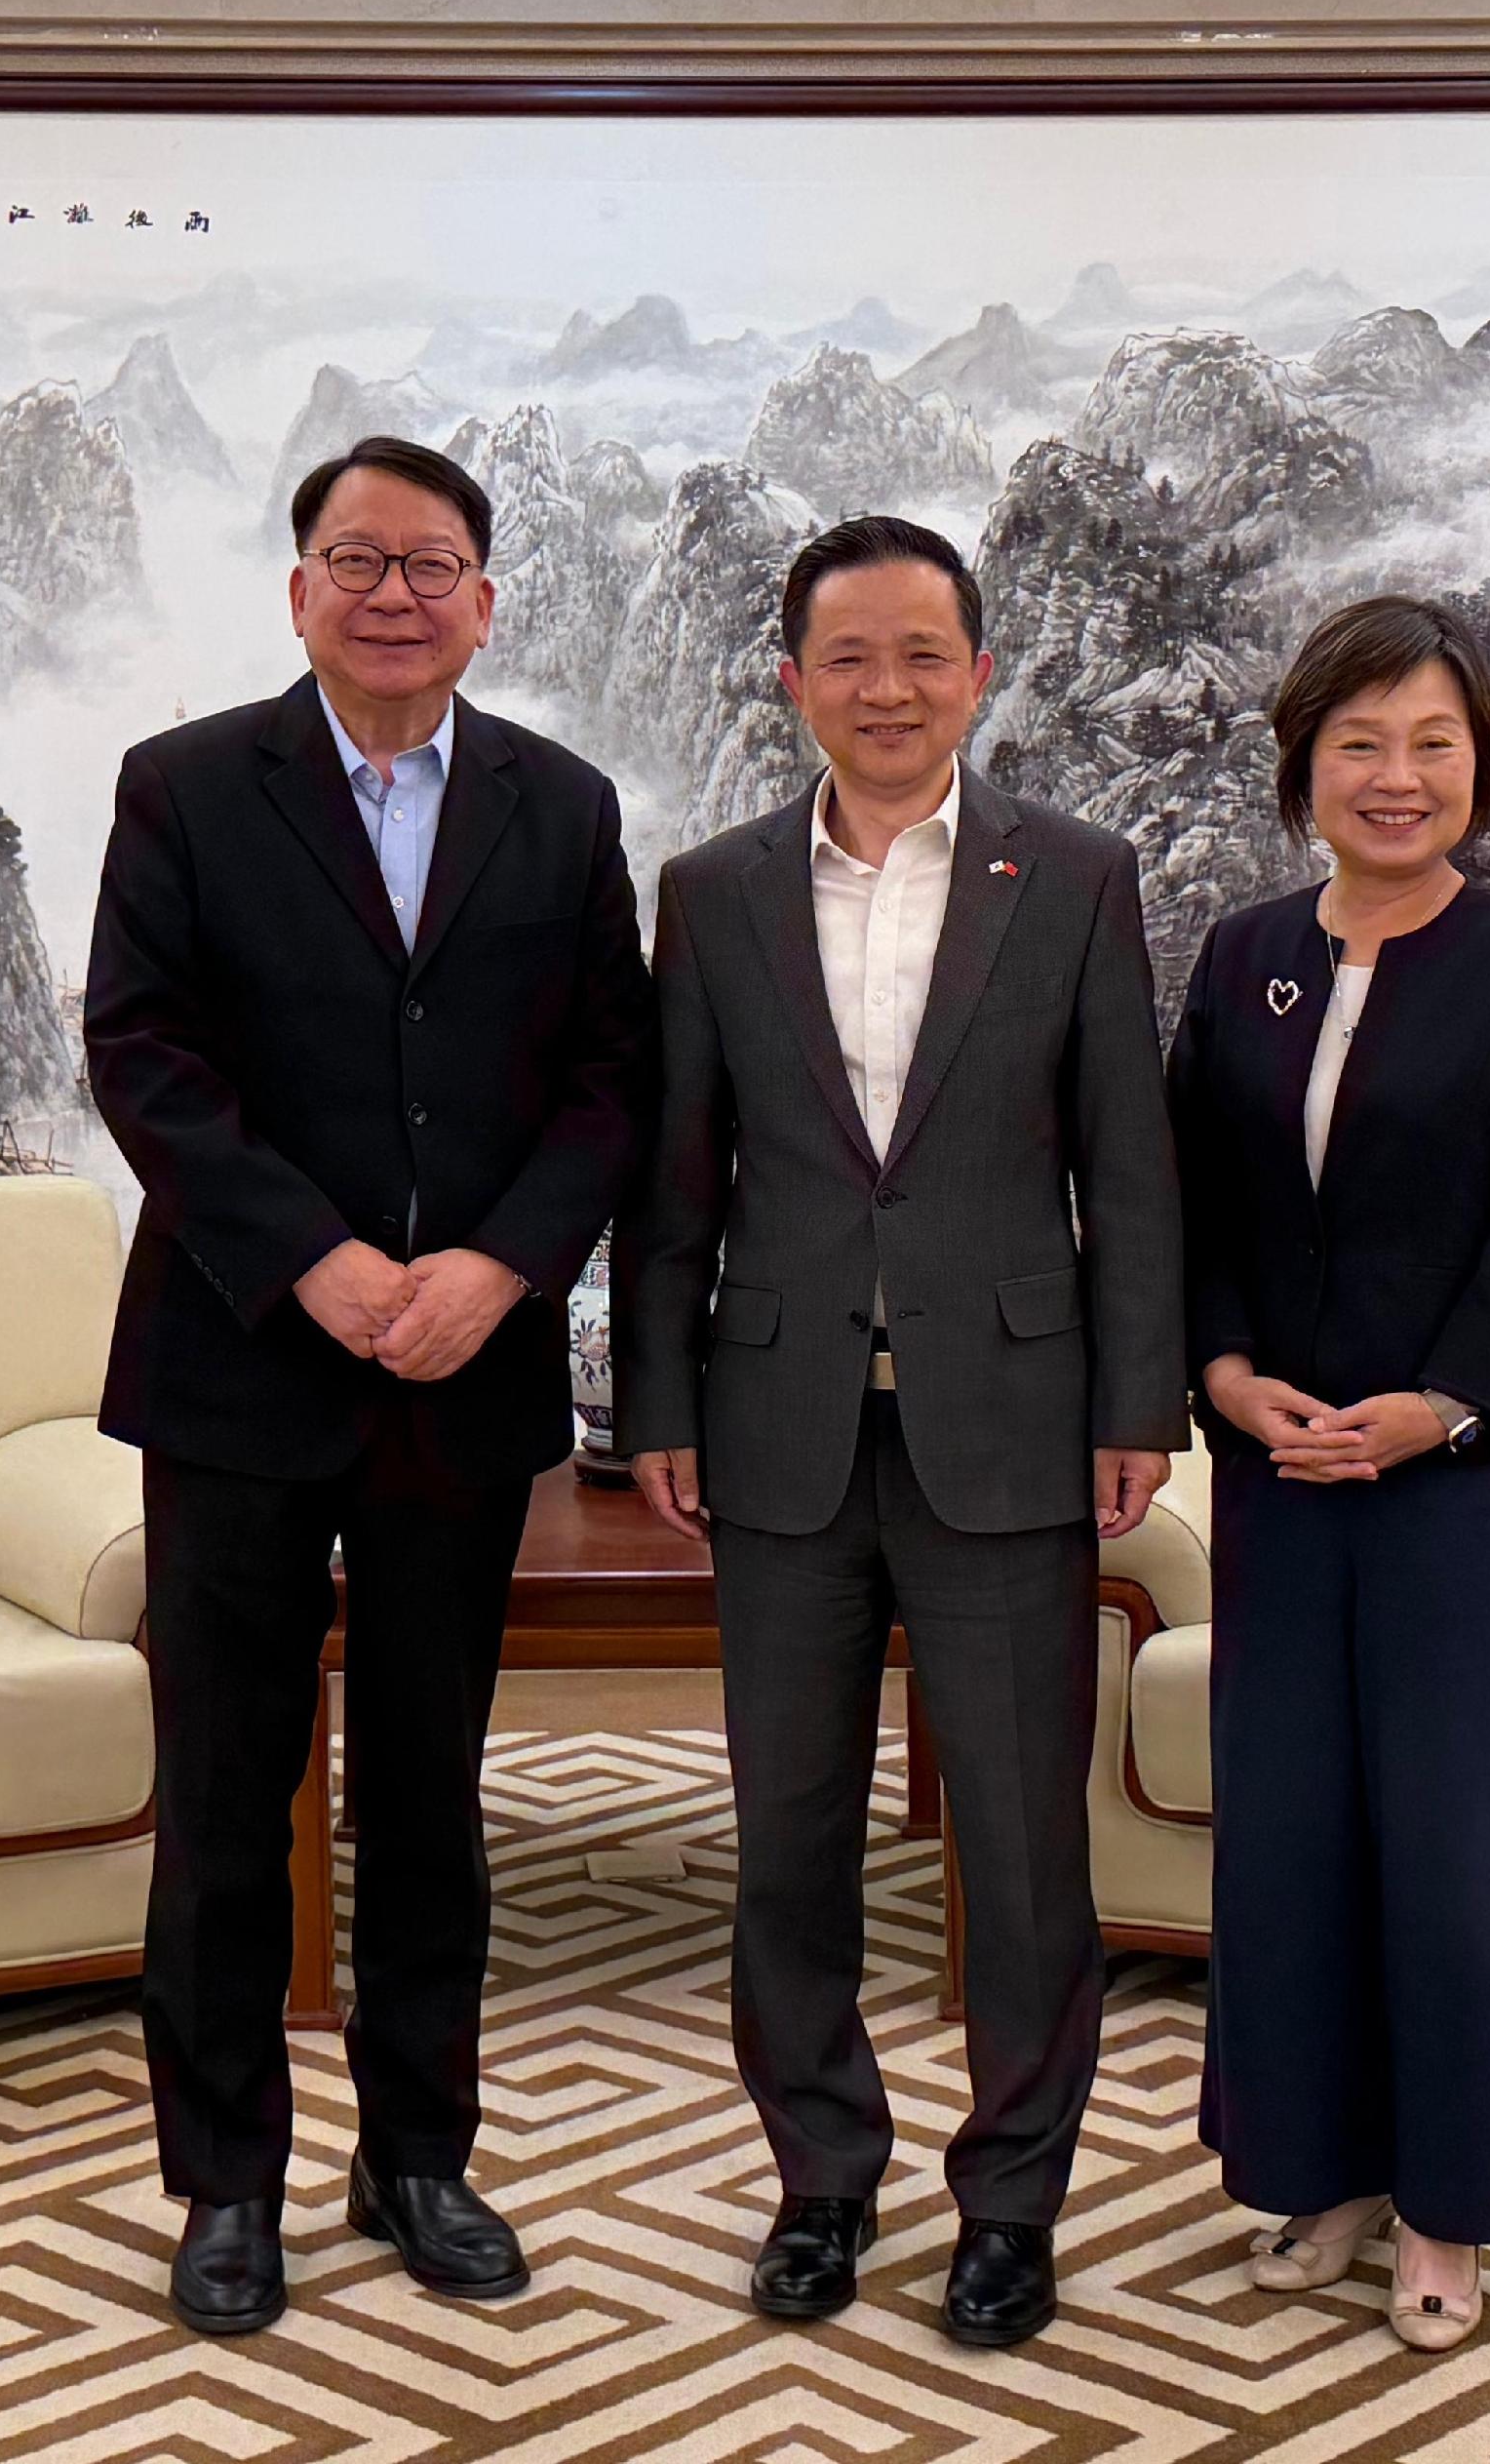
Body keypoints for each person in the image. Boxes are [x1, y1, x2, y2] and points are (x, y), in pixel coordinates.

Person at [84, 435, 651, 2338]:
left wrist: (496, 1267)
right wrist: (312, 1260)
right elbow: (141, 1054)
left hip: (459, 1379)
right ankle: (224, 2181)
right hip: (239, 1370)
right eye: (355, 559)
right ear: (299, 589)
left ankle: (420, 2156)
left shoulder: (563, 810)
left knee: (428, 1793)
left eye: (429, 563)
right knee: (225, 1796)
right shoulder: (181, 789)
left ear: (485, 597)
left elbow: (606, 1083)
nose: (392, 593)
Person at [617, 514, 1185, 2350]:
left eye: (922, 656)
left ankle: (1011, 2204)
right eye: (848, 659)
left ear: (979, 674)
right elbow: (670, 1182)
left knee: (1024, 1852)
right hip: (777, 1428)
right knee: (787, 1836)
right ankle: (823, 2184)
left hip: (1013, 1427)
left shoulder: (1073, 877)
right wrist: (655, 1404)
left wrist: (1135, 1402)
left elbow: (1132, 1170)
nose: (887, 690)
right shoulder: (708, 893)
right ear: (791, 682)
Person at [1165, 593, 1490, 2350]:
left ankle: (1448, 2206)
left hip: (1459, 1489)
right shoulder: (1242, 955)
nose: (1396, 775)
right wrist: (1221, 1378)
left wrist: (1439, 1408)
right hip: (1280, 1477)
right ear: (1305, 766)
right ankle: (1326, 2168)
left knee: (1451, 1849)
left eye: (1433, 742)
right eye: (1360, 742)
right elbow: (1191, 1204)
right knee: (1292, 1842)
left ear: (1478, 769)